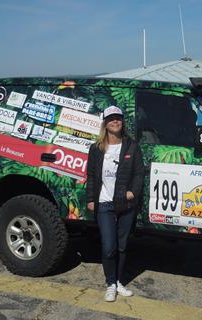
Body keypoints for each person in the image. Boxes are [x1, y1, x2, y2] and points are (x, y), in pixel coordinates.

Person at [86, 105, 144, 302]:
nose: (115, 121)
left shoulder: (132, 146)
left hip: (125, 204)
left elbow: (138, 173)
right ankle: (110, 283)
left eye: (118, 117)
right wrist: (90, 200)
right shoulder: (96, 148)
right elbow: (92, 176)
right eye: (111, 118)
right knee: (109, 247)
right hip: (103, 203)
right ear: (105, 123)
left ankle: (119, 281)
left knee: (122, 246)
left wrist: (132, 192)